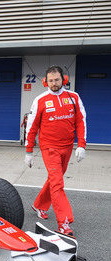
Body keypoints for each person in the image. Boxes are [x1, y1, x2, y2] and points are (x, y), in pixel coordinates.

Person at [24, 65, 87, 237]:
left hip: (67, 147)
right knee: (58, 183)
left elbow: (81, 121)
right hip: (49, 148)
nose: (54, 83)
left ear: (63, 80)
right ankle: (64, 223)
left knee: (54, 180)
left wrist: (81, 145)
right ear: (46, 81)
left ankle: (39, 205)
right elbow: (32, 127)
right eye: (51, 81)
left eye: (57, 80)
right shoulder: (40, 100)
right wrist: (29, 151)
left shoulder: (74, 97)